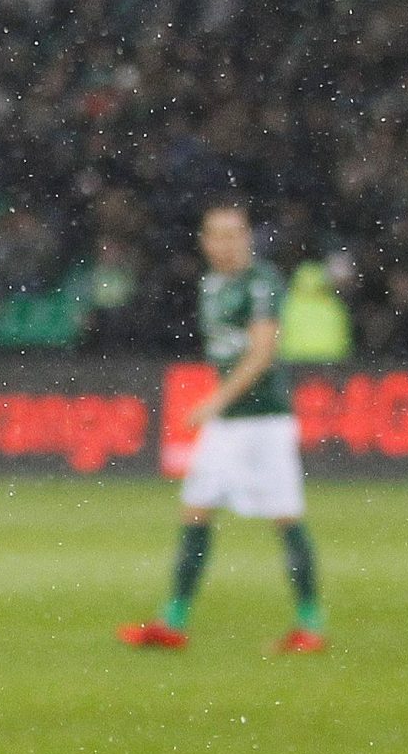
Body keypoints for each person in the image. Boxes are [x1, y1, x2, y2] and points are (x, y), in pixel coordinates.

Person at [120, 205, 326, 653]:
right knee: (195, 509)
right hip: (228, 426)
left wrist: (215, 400)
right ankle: (173, 621)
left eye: (234, 234)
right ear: (205, 241)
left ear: (248, 238)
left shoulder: (262, 282)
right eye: (217, 235)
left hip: (265, 420)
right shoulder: (211, 285)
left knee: (286, 516)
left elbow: (262, 353)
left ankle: (311, 625)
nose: (226, 244)